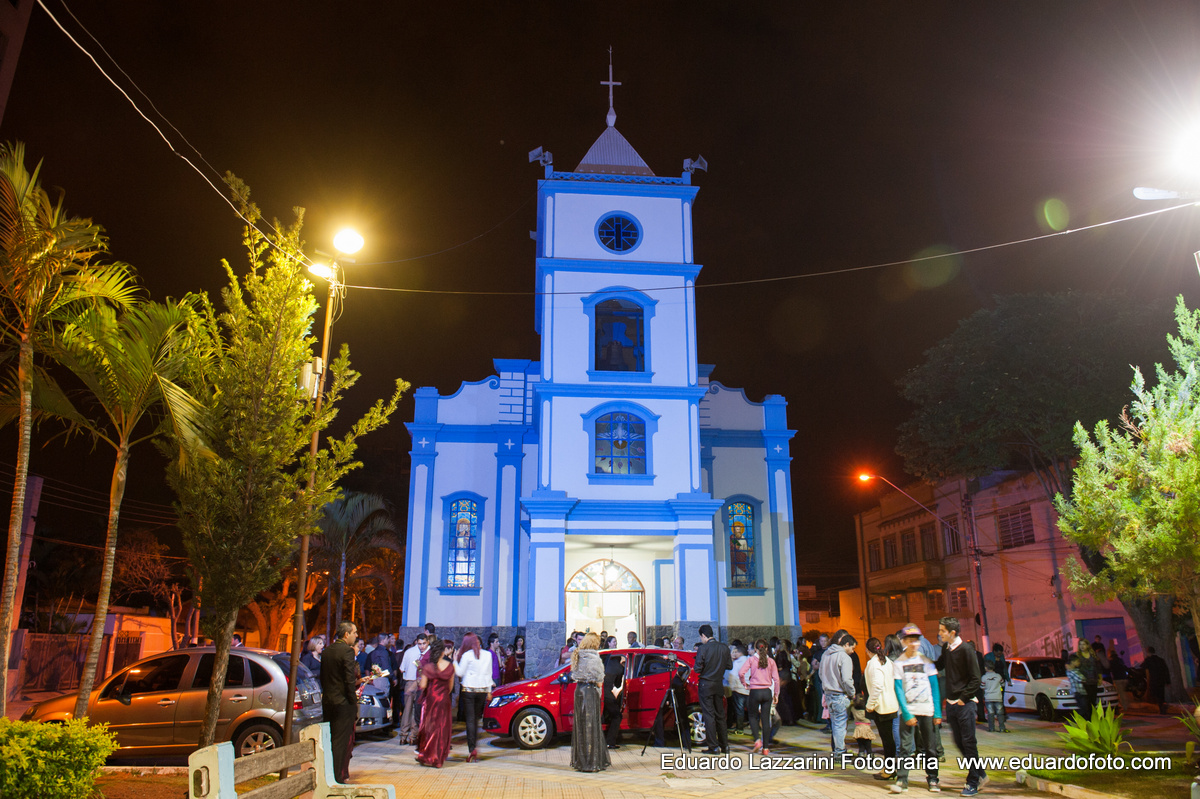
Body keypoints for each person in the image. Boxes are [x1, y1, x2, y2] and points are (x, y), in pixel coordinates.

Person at [937, 617, 985, 797]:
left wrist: (963, 698)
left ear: (952, 632)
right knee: (958, 742)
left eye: (942, 631)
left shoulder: (966, 650)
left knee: (968, 742)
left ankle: (973, 781)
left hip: (965, 703)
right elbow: (939, 664)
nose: (939, 634)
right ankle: (979, 773)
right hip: (951, 703)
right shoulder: (947, 648)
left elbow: (976, 678)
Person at [891, 623, 941, 795]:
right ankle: (902, 780)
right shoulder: (899, 663)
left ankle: (933, 778)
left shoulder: (926, 662)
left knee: (930, 747)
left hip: (927, 709)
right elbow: (898, 689)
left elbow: (934, 687)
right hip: (908, 711)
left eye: (916, 640)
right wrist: (906, 713)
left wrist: (937, 712)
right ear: (904, 641)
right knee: (905, 748)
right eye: (910, 640)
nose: (914, 644)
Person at [321, 621, 361, 784]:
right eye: (354, 632)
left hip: (328, 701)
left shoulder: (327, 651)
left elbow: (323, 677)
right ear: (346, 634)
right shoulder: (347, 651)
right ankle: (337, 777)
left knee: (330, 740)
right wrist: (353, 701)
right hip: (343, 703)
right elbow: (349, 679)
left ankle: (329, 774)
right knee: (340, 743)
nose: (356, 635)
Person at [569, 632, 610, 772]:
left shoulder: (578, 655)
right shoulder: (594, 658)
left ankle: (581, 761)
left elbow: (574, 675)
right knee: (592, 726)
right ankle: (593, 762)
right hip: (590, 692)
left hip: (579, 691)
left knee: (581, 726)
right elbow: (599, 679)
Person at [415, 638, 456, 768]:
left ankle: (428, 755)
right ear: (443, 652)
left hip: (431, 700)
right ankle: (438, 757)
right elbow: (450, 687)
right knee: (442, 728)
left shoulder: (428, 667)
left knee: (430, 728)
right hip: (444, 699)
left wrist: (420, 680)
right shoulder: (450, 666)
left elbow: (423, 685)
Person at [454, 632, 494, 763]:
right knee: (476, 719)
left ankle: (472, 749)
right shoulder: (487, 655)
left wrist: (454, 660)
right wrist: (489, 691)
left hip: (469, 690)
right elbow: (489, 674)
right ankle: (474, 746)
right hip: (482, 690)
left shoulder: (467, 655)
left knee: (470, 720)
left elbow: (460, 672)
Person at [864, 636, 899, 781]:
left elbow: (877, 686)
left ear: (867, 650)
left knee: (887, 740)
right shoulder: (887, 661)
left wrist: (870, 705)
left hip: (881, 707)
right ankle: (890, 768)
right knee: (888, 739)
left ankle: (889, 770)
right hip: (890, 704)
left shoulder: (874, 663)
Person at [694, 624, 732, 755]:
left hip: (706, 684)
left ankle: (713, 746)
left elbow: (697, 668)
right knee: (720, 715)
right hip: (718, 684)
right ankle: (725, 746)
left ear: (703, 636)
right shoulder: (724, 647)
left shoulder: (703, 648)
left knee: (709, 715)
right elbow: (729, 666)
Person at [818, 631, 856, 758]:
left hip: (828, 694)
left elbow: (820, 674)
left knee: (835, 724)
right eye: (852, 648)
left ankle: (838, 750)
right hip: (840, 694)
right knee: (840, 725)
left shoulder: (826, 654)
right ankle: (840, 752)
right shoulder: (844, 657)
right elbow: (846, 680)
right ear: (846, 644)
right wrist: (852, 693)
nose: (852, 651)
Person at [739, 639, 780, 756]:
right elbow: (776, 679)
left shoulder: (751, 660)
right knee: (765, 719)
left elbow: (741, 673)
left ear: (755, 649)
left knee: (752, 716)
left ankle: (757, 740)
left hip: (755, 691)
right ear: (766, 648)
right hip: (767, 692)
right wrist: (776, 694)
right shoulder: (771, 661)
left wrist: (745, 684)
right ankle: (765, 748)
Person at [396, 634, 429, 744]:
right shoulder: (425, 652)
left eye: (423, 643)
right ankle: (411, 736)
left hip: (414, 683)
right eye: (420, 644)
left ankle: (405, 736)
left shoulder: (409, 652)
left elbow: (402, 669)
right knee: (414, 710)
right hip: (416, 683)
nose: (422, 646)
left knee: (410, 710)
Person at [603, 652, 626, 749]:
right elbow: (617, 684)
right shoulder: (619, 668)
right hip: (607, 694)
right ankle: (610, 742)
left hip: (597, 693)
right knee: (617, 716)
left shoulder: (603, 663)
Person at [726, 642, 750, 733]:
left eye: (736, 652)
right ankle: (755, 728)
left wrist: (732, 687)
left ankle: (739, 729)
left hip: (739, 689)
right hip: (749, 689)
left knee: (739, 710)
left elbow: (732, 676)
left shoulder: (737, 663)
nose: (735, 654)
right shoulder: (750, 661)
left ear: (740, 652)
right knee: (751, 710)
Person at [1075, 639, 1100, 720]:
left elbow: (1098, 667)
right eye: (1080, 644)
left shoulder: (1093, 655)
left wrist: (1100, 677)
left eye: (1084, 644)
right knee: (1085, 704)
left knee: (1093, 702)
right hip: (1083, 683)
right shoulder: (1078, 656)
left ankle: (1093, 720)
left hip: (1093, 682)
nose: (1082, 646)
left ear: (1088, 645)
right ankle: (1087, 720)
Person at [1143, 647, 1170, 713]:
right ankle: (1162, 706)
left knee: (1155, 695)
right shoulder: (1161, 660)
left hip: (1154, 680)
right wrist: (1168, 681)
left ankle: (1161, 707)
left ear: (1148, 652)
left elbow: (1143, 667)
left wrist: (1146, 658)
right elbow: (1166, 670)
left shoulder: (1148, 660)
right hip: (1161, 680)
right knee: (1161, 694)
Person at [982, 661, 1007, 732]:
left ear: (985, 668)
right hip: (998, 697)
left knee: (990, 714)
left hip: (988, 697)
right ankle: (1002, 728)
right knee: (1000, 713)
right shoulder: (998, 676)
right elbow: (1003, 684)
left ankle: (991, 728)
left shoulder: (984, 677)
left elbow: (982, 686)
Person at [1067, 655, 1088, 721]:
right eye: (1077, 661)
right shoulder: (1072, 671)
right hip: (1079, 692)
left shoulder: (1074, 670)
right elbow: (1081, 678)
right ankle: (1072, 720)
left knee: (1084, 708)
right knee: (1083, 709)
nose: (1079, 663)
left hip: (1079, 692)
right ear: (1072, 662)